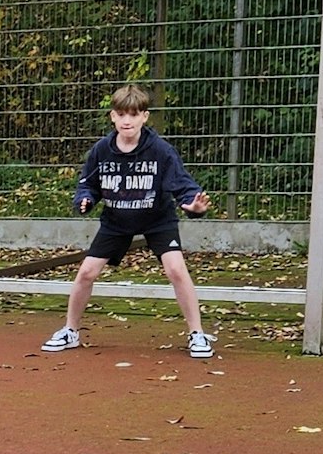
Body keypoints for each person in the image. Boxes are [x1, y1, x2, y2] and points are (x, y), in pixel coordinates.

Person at [42, 84, 215, 359]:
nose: (127, 121)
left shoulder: (161, 150)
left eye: (133, 115)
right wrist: (85, 201)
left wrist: (193, 206)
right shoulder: (101, 150)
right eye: (121, 114)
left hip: (158, 219)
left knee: (176, 270)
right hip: (116, 221)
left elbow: (183, 187)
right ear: (112, 116)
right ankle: (70, 331)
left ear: (144, 117)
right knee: (86, 272)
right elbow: (87, 185)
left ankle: (197, 334)